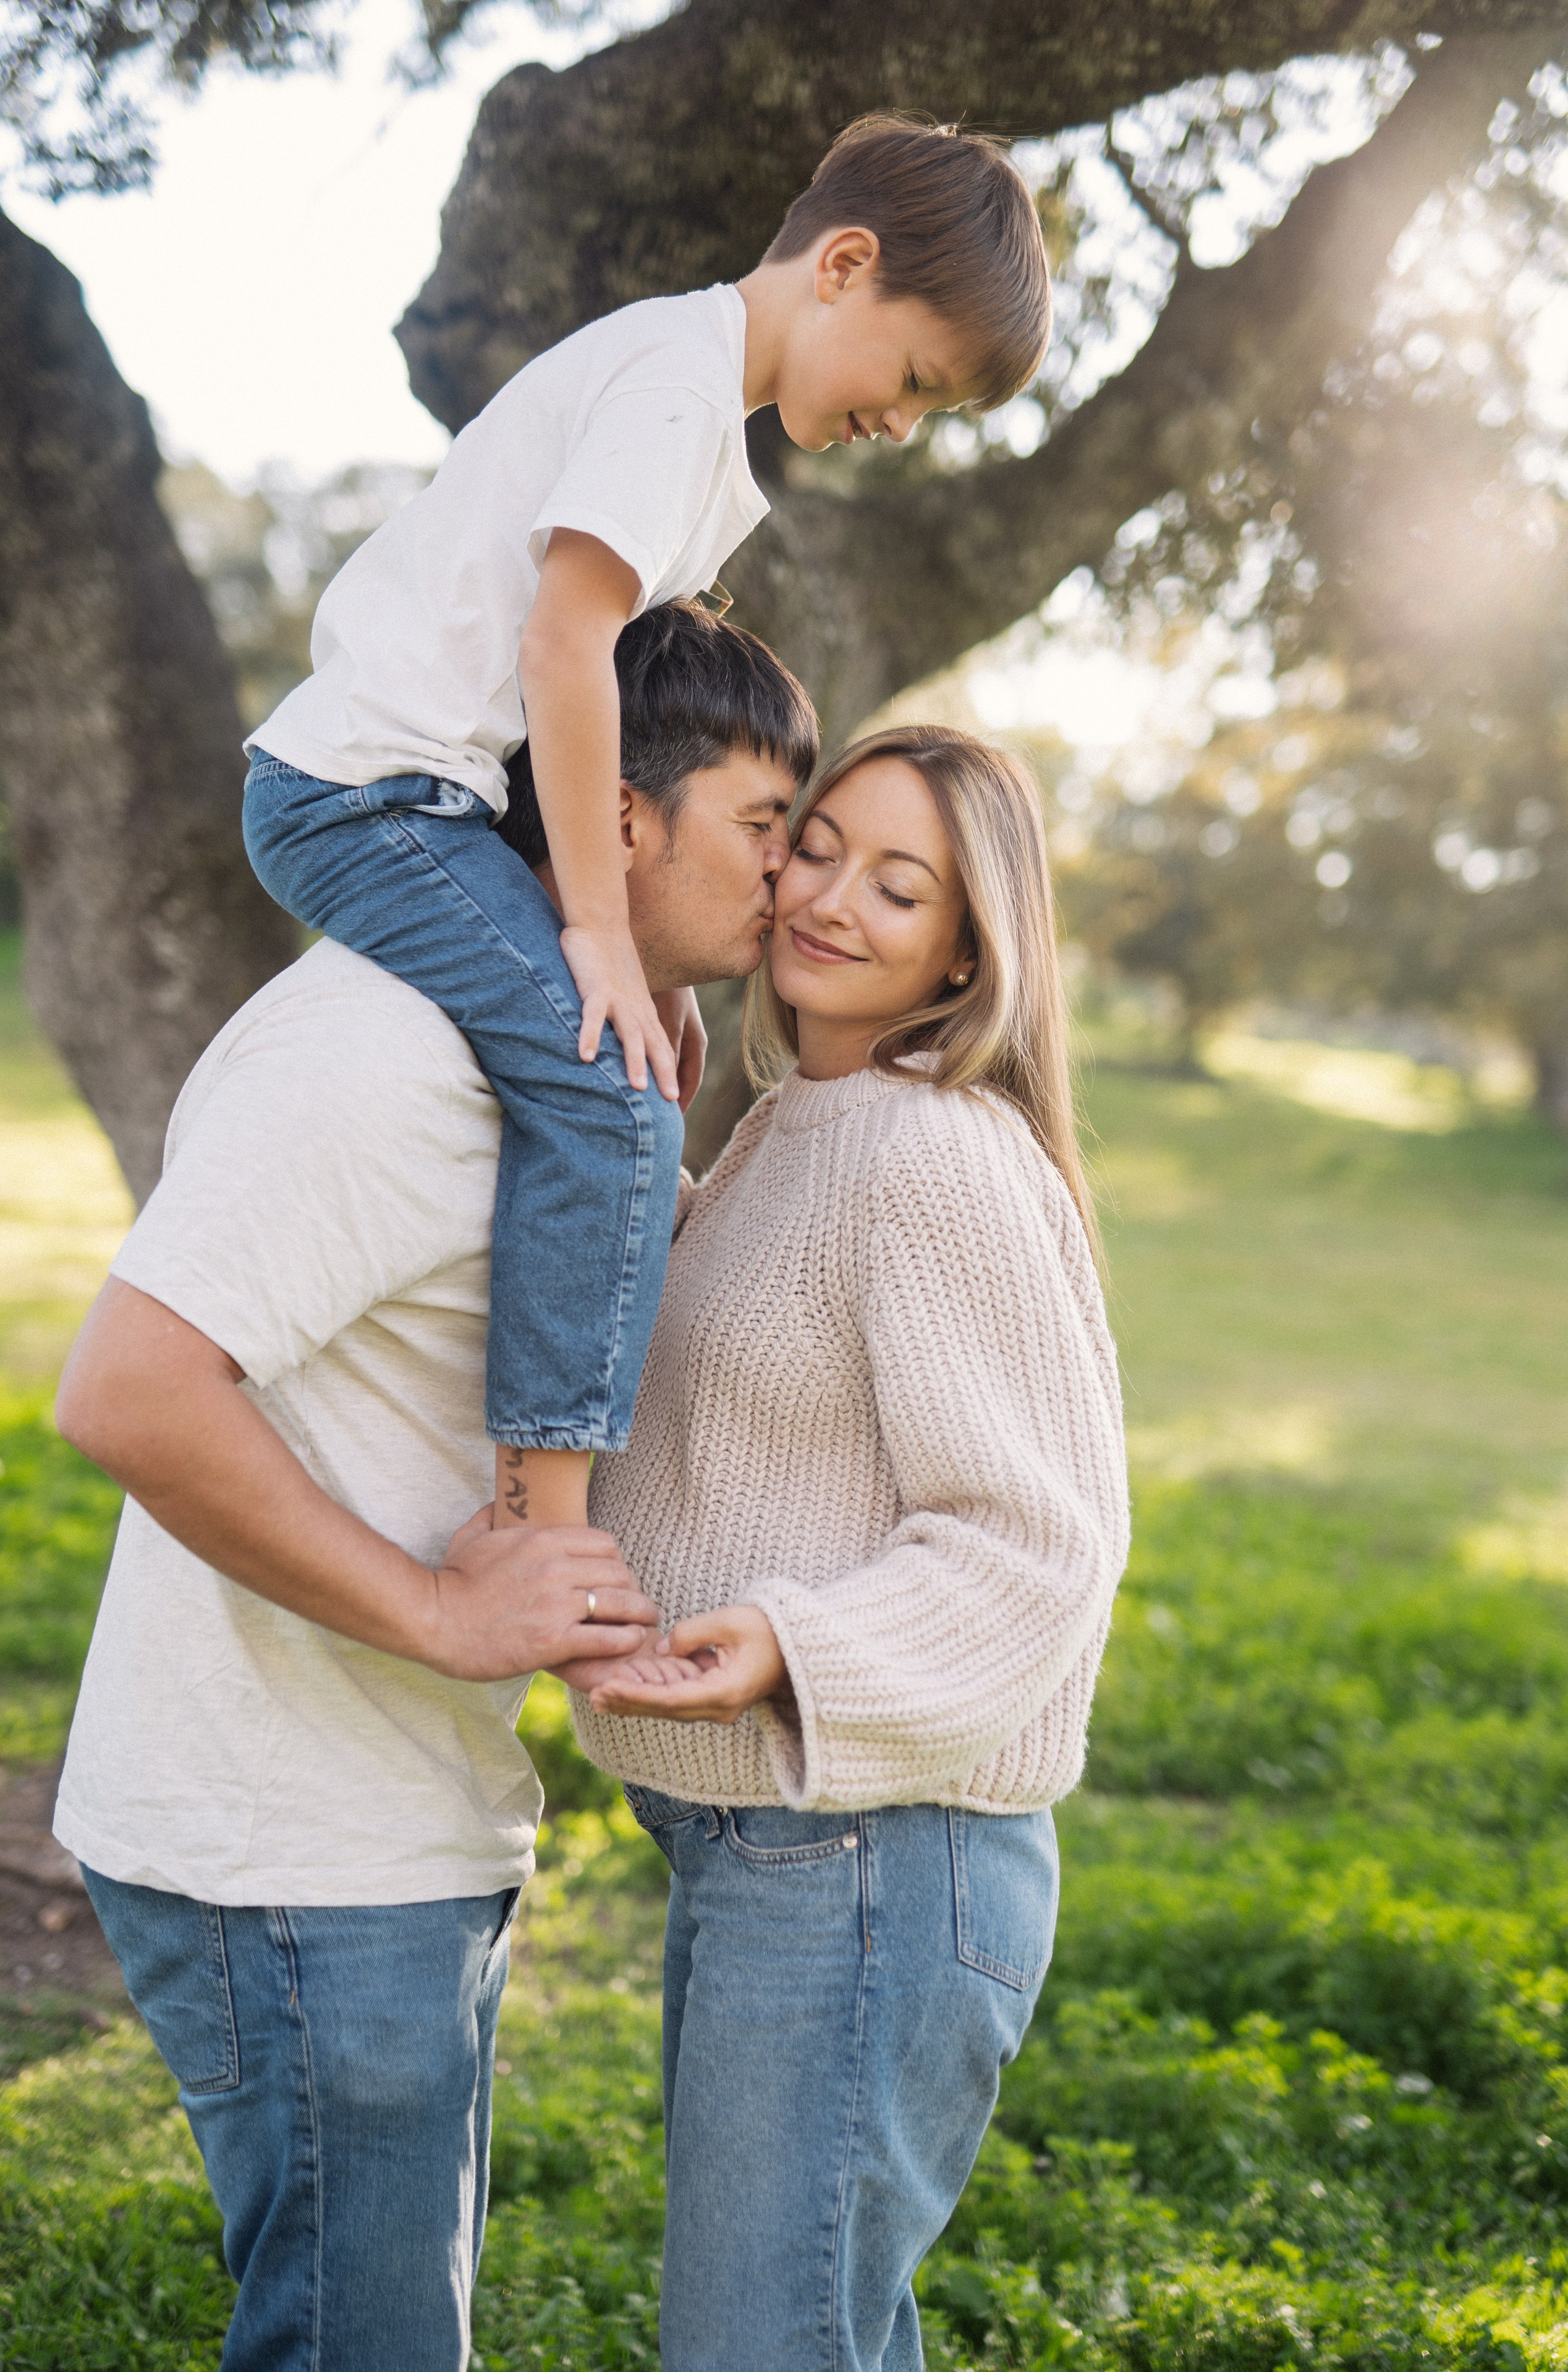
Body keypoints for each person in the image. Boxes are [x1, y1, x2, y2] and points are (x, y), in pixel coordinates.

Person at [51, 605, 819, 2372]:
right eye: (766, 829)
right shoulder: (385, 1055)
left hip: (387, 1827)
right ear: (622, 823)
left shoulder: (557, 1064)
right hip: (290, 1851)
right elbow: (133, 1391)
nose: (792, 882)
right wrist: (438, 1612)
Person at [239, 114, 1052, 1543]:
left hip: (424, 794)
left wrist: (655, 969)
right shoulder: (674, 393)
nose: (898, 426)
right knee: (609, 1094)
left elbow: (617, 685)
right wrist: (602, 943)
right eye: (913, 379)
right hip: (365, 796)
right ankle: (547, 1526)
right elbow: (566, 648)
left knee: (625, 1056)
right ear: (843, 266)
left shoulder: (690, 408)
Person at [573, 725, 1131, 2372]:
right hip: (772, 1843)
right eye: (816, 848)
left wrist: (787, 1641)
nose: (830, 900)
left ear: (969, 950)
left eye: (903, 887)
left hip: (876, 1856)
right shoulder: (788, 1126)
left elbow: (1038, 1543)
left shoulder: (931, 1154)